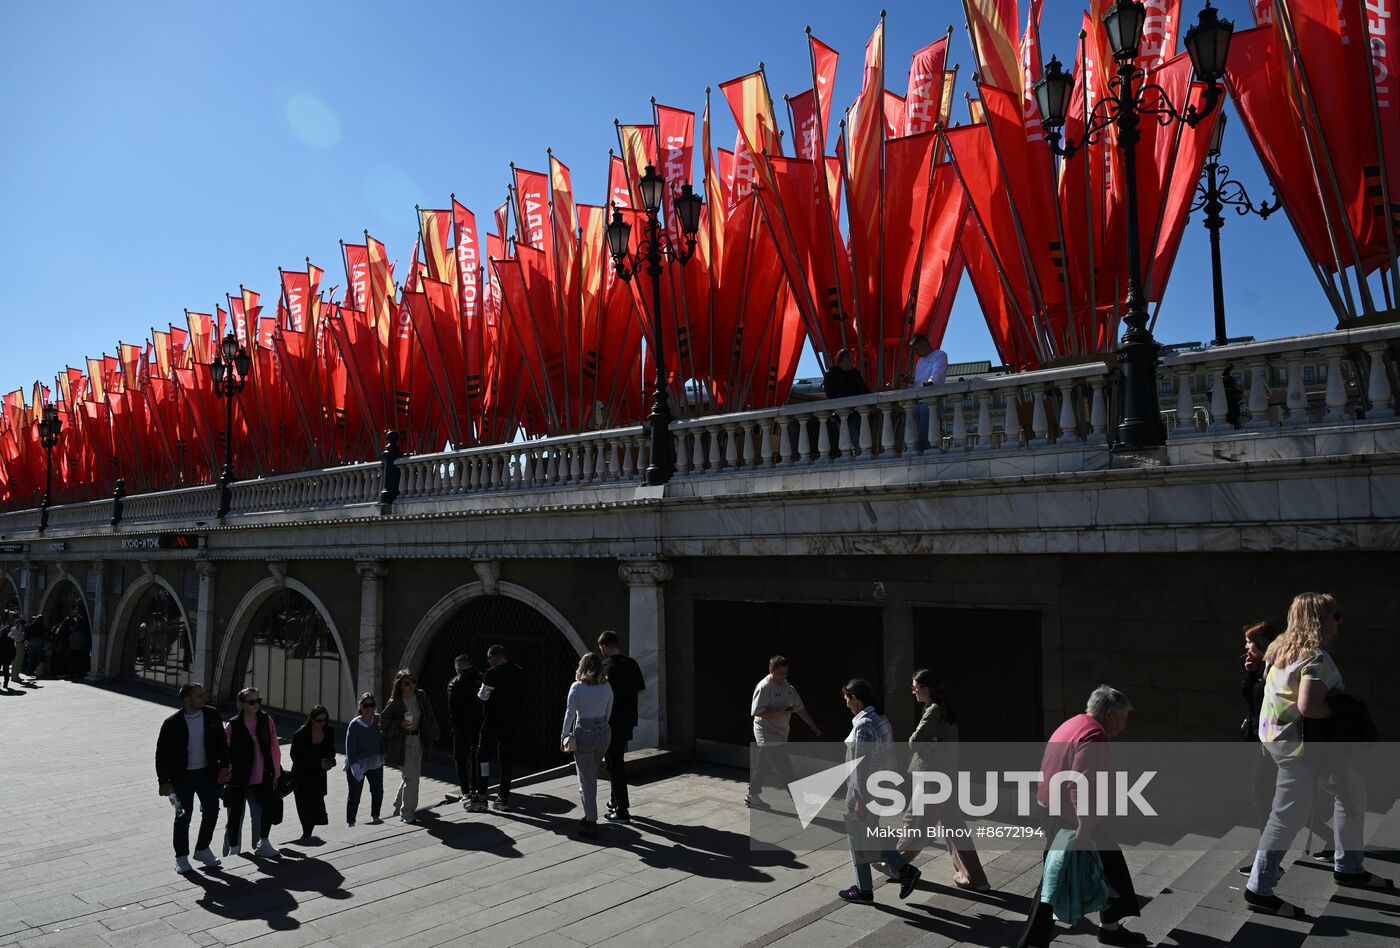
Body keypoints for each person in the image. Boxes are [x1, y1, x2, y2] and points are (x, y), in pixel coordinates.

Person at [1244, 593, 1393, 916]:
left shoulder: (1279, 651)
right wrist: (1341, 713)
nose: (1339, 620)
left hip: (1279, 744)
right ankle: (1259, 888)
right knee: (1286, 818)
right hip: (1303, 749)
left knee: (1352, 790)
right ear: (1321, 620)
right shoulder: (1315, 659)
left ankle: (1349, 866)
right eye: (1335, 615)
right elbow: (1309, 706)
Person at [1017, 685, 1146, 948]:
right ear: (1108, 714)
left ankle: (1110, 925)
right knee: (1054, 878)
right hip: (1066, 816)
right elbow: (1079, 784)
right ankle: (1032, 942)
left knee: (1110, 859)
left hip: (1051, 807)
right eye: (1121, 721)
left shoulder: (1074, 723)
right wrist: (1084, 828)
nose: (1122, 728)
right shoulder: (1094, 735)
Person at [895, 668, 990, 891]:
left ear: (926, 688)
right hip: (945, 776)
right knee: (955, 829)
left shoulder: (933, 711)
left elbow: (915, 741)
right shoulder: (943, 709)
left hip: (931, 777)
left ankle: (895, 865)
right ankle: (976, 878)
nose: (913, 691)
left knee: (915, 822)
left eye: (915, 687)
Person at [838, 678, 922, 904]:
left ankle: (868, 888)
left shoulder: (864, 724)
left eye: (847, 699)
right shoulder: (881, 718)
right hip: (881, 787)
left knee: (859, 838)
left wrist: (860, 799)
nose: (846, 704)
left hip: (863, 792)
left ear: (855, 698)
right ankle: (899, 874)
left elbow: (861, 766)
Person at [155, 682, 230, 874]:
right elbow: (161, 754)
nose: (205, 698)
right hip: (181, 778)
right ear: (187, 700)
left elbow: (221, 742)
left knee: (212, 810)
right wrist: (163, 781)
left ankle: (202, 849)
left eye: (205, 694)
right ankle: (181, 857)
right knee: (181, 815)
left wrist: (223, 766)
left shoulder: (211, 715)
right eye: (200, 696)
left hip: (207, 774)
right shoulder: (172, 723)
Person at [746, 655, 821, 809]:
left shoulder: (788, 687)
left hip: (781, 732)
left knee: (763, 765)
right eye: (780, 673)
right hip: (766, 732)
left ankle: (752, 795)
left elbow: (799, 708)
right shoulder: (764, 687)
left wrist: (812, 725)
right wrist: (782, 712)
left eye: (786, 673)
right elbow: (756, 712)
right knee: (785, 768)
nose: (784, 677)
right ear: (771, 670)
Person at [1239, 621, 1281, 875]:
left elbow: (1272, 707)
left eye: (1249, 642)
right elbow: (1252, 700)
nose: (1245, 646)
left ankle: (1268, 862)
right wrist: (1251, 673)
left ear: (1261, 644)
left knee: (1261, 799)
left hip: (1271, 745)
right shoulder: (1264, 668)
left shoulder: (1276, 669)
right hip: (1264, 742)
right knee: (1276, 800)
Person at [222, 686, 283, 859]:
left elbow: (274, 746)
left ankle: (262, 843)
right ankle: (233, 850)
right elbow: (225, 752)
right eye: (251, 701)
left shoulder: (266, 720)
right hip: (239, 777)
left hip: (262, 774)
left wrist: (275, 771)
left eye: (259, 700)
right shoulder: (233, 725)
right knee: (235, 816)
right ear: (241, 704)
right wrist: (225, 773)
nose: (256, 704)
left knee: (262, 813)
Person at [562, 651, 614, 838]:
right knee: (591, 773)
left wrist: (563, 736)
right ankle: (590, 815)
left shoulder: (577, 687)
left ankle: (591, 819)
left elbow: (570, 713)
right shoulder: (606, 686)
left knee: (586, 779)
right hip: (603, 732)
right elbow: (608, 711)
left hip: (585, 731)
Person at [381, 668, 440, 824]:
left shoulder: (421, 696)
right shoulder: (396, 702)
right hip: (402, 743)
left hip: (417, 740)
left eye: (413, 682)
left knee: (411, 777)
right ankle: (406, 812)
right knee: (412, 778)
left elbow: (429, 715)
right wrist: (400, 724)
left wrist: (432, 732)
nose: (411, 686)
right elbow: (384, 721)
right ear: (400, 685)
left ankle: (398, 802)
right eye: (407, 683)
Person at [598, 630, 646, 824]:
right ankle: (614, 801)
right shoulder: (631, 663)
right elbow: (642, 690)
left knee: (615, 765)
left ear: (604, 647)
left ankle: (622, 810)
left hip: (611, 723)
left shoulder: (605, 667)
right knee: (614, 762)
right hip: (628, 721)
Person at [477, 644, 526, 811]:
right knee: (506, 760)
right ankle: (503, 797)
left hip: (492, 723)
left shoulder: (491, 674)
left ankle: (482, 796)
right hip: (512, 723)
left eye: (489, 658)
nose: (488, 661)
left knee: (482, 756)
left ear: (494, 656)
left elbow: (483, 697)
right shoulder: (520, 672)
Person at [290, 705, 336, 842]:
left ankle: (308, 832)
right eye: (319, 720)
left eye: (325, 720)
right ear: (312, 719)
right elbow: (296, 757)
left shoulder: (329, 731)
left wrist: (330, 762)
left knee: (316, 805)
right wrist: (318, 762)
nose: (322, 723)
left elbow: (331, 752)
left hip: (318, 776)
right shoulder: (300, 734)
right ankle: (306, 833)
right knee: (304, 806)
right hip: (301, 776)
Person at [448, 654, 485, 813]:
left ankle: (466, 792)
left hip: (462, 727)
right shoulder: (482, 678)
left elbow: (452, 710)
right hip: (479, 725)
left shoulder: (454, 683)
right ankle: (478, 788)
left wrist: (454, 726)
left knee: (460, 759)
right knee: (479, 756)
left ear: (457, 668)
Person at [345, 692, 385, 826]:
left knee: (378, 790)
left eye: (371, 705)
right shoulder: (354, 724)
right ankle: (350, 821)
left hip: (375, 760)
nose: (369, 708)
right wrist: (354, 766)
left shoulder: (378, 720)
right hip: (358, 763)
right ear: (361, 706)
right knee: (355, 794)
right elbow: (349, 747)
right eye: (366, 705)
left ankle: (375, 816)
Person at [907, 334, 949, 450]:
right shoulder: (920, 361)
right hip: (918, 403)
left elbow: (938, 373)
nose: (916, 353)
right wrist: (911, 381)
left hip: (931, 403)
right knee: (918, 440)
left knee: (924, 439)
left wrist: (931, 382)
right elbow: (917, 382)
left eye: (917, 349)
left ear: (924, 344)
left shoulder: (940, 355)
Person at [0, 624, 15, 690]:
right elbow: (14, 650)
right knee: (6, 671)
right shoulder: (10, 640)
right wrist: (12, 657)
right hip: (7, 658)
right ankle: (6, 684)